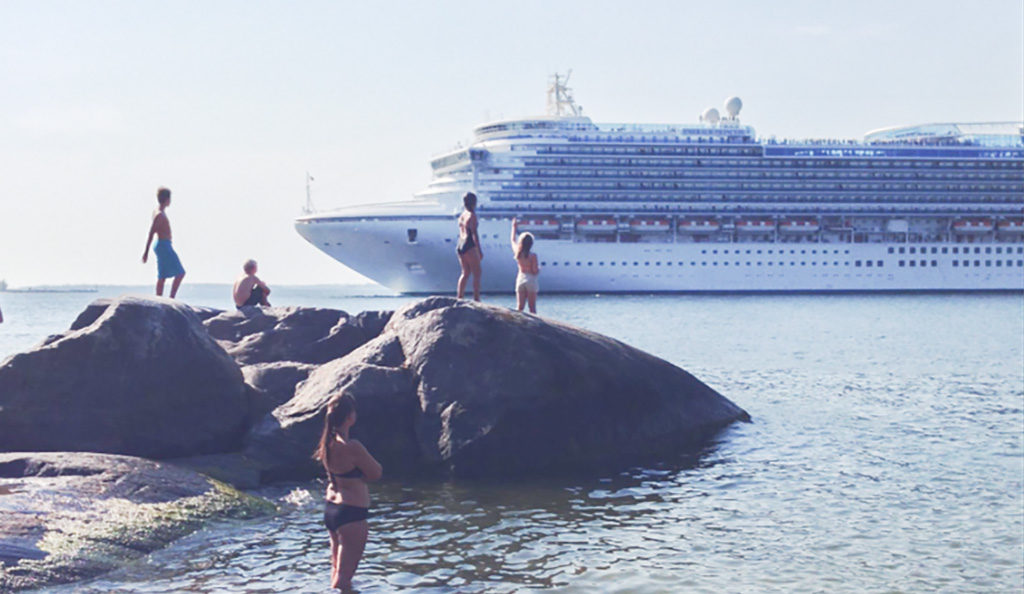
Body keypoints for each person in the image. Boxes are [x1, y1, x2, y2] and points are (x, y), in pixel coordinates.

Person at [313, 393, 382, 591]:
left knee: (336, 572)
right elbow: (376, 472)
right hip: (352, 512)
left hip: (332, 509)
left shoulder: (326, 444)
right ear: (350, 416)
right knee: (343, 581)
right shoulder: (352, 446)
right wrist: (361, 476)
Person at [141, 187, 186, 298]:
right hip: (163, 244)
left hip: (163, 244)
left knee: (163, 274)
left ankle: (159, 297)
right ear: (166, 199)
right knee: (180, 273)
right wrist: (146, 252)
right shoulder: (159, 215)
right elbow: (151, 233)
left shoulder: (159, 212)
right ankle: (171, 297)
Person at [455, 192, 483, 301]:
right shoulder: (472, 216)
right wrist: (479, 250)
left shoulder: (462, 215)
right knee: (477, 273)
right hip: (469, 244)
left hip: (460, 244)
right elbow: (474, 234)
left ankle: (459, 297)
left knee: (465, 273)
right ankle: (477, 299)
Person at [510, 217, 540, 313]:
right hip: (530, 280)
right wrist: (539, 270)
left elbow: (512, 240)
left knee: (519, 308)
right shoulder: (533, 256)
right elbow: (534, 271)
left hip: (520, 279)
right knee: (532, 308)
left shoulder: (518, 254)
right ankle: (535, 327)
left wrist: (514, 227)